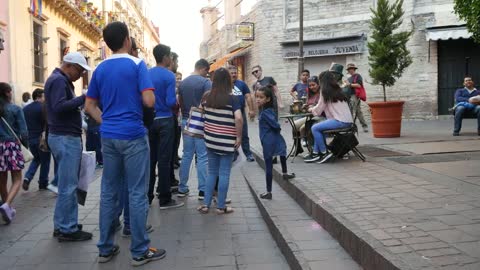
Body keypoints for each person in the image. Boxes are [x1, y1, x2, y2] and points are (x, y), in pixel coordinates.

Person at [85, 21, 165, 266]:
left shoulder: (99, 69)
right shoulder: (137, 64)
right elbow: (149, 101)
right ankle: (139, 250)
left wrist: (106, 121)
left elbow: (89, 106)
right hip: (133, 134)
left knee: (109, 192)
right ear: (128, 40)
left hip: (108, 136)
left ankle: (105, 248)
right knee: (137, 193)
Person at [44, 52, 92, 241]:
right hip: (65, 137)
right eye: (79, 71)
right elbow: (59, 107)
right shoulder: (58, 81)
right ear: (69, 65)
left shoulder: (58, 80)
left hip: (62, 136)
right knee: (69, 186)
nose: (80, 75)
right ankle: (67, 228)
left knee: (66, 184)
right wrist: (83, 98)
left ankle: (62, 223)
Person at [196, 68, 242, 214]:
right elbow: (239, 118)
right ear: (228, 81)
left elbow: (199, 112)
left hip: (210, 140)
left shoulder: (206, 97)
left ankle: (205, 205)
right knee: (224, 174)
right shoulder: (232, 98)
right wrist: (239, 137)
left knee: (211, 172)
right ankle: (221, 206)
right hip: (227, 142)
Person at [148, 44, 183, 209]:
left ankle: (147, 195)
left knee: (151, 158)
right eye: (169, 55)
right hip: (165, 119)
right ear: (164, 57)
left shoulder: (147, 74)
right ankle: (164, 197)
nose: (171, 58)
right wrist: (176, 101)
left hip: (150, 120)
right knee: (164, 159)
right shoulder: (169, 76)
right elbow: (170, 101)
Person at [177, 59, 211, 199]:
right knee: (202, 156)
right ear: (203, 69)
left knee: (187, 155)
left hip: (186, 120)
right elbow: (209, 101)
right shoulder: (205, 83)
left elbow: (180, 102)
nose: (207, 74)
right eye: (207, 72)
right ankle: (202, 190)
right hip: (201, 121)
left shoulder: (183, 82)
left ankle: (182, 187)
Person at [255, 85, 295, 200]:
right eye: (257, 96)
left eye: (261, 97)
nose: (258, 99)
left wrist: (274, 128)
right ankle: (285, 173)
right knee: (282, 153)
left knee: (269, 165)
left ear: (268, 99)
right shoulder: (267, 110)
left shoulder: (265, 112)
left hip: (269, 140)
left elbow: (276, 125)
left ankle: (269, 191)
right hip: (273, 138)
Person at [305, 71, 353, 164]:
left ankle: (324, 153)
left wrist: (311, 109)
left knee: (314, 128)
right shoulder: (338, 90)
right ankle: (315, 153)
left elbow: (319, 109)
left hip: (340, 121)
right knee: (319, 127)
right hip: (348, 121)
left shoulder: (325, 91)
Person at [0, 82, 28, 224]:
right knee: (17, 178)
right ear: (7, 93)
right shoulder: (15, 109)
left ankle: (7, 210)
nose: (11, 93)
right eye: (10, 91)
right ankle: (6, 205)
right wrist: (26, 147)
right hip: (11, 145)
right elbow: (23, 131)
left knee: (2, 181)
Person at [22, 88, 51, 191]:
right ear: (39, 96)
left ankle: (27, 177)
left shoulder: (25, 109)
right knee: (45, 161)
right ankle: (43, 183)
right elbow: (48, 123)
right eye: (44, 96)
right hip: (42, 139)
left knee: (37, 159)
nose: (45, 98)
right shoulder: (43, 108)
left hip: (30, 138)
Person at [228, 65, 255, 162]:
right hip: (229, 113)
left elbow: (248, 97)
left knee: (244, 134)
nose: (234, 75)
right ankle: (234, 153)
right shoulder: (225, 84)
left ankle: (248, 153)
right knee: (231, 134)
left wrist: (251, 110)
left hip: (241, 112)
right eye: (232, 73)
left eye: (235, 73)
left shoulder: (242, 84)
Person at [294, 76, 322, 150]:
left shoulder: (321, 94)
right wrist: (305, 106)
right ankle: (297, 148)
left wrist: (311, 107)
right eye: (310, 86)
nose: (312, 87)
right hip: (309, 116)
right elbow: (308, 106)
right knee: (294, 124)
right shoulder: (310, 94)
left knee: (303, 128)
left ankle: (311, 147)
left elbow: (320, 108)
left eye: (313, 85)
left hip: (318, 116)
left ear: (318, 84)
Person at [345, 63, 368, 133]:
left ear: (354, 69)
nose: (350, 70)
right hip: (349, 96)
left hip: (355, 95)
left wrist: (350, 84)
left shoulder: (357, 76)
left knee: (358, 111)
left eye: (351, 69)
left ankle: (364, 126)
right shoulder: (349, 78)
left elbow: (359, 85)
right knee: (349, 112)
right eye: (349, 69)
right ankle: (351, 127)